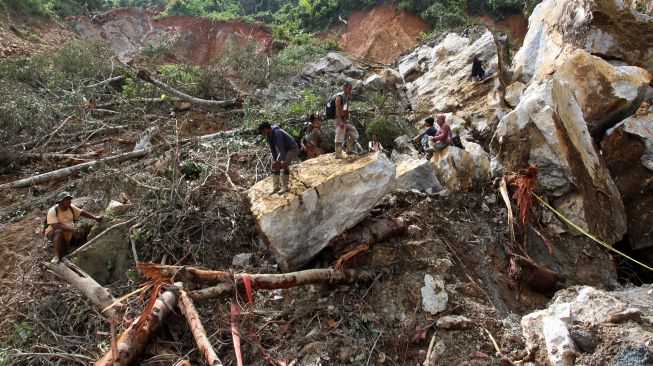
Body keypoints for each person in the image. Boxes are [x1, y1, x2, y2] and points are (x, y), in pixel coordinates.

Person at [45, 192, 104, 263]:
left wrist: (95, 218)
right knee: (58, 232)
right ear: (61, 202)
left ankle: (64, 255)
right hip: (53, 232)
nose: (69, 201)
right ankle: (56, 256)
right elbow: (55, 226)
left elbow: (82, 212)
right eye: (67, 200)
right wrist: (71, 229)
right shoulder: (53, 211)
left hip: (67, 232)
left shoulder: (70, 208)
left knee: (65, 251)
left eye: (70, 199)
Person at [258, 122, 299, 194]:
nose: (262, 133)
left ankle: (285, 187)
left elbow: (281, 146)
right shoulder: (269, 135)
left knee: (284, 165)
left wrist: (283, 160)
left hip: (292, 149)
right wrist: (274, 160)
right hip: (284, 150)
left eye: (262, 131)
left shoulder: (277, 132)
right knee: (276, 165)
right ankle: (276, 187)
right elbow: (273, 148)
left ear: (265, 129)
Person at [333, 82, 359, 159]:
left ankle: (349, 150)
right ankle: (338, 153)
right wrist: (340, 121)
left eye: (351, 89)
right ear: (344, 88)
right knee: (339, 136)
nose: (350, 90)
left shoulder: (346, 97)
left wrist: (348, 119)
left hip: (345, 119)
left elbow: (346, 110)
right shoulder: (339, 97)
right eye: (349, 89)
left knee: (354, 133)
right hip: (338, 119)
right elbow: (337, 110)